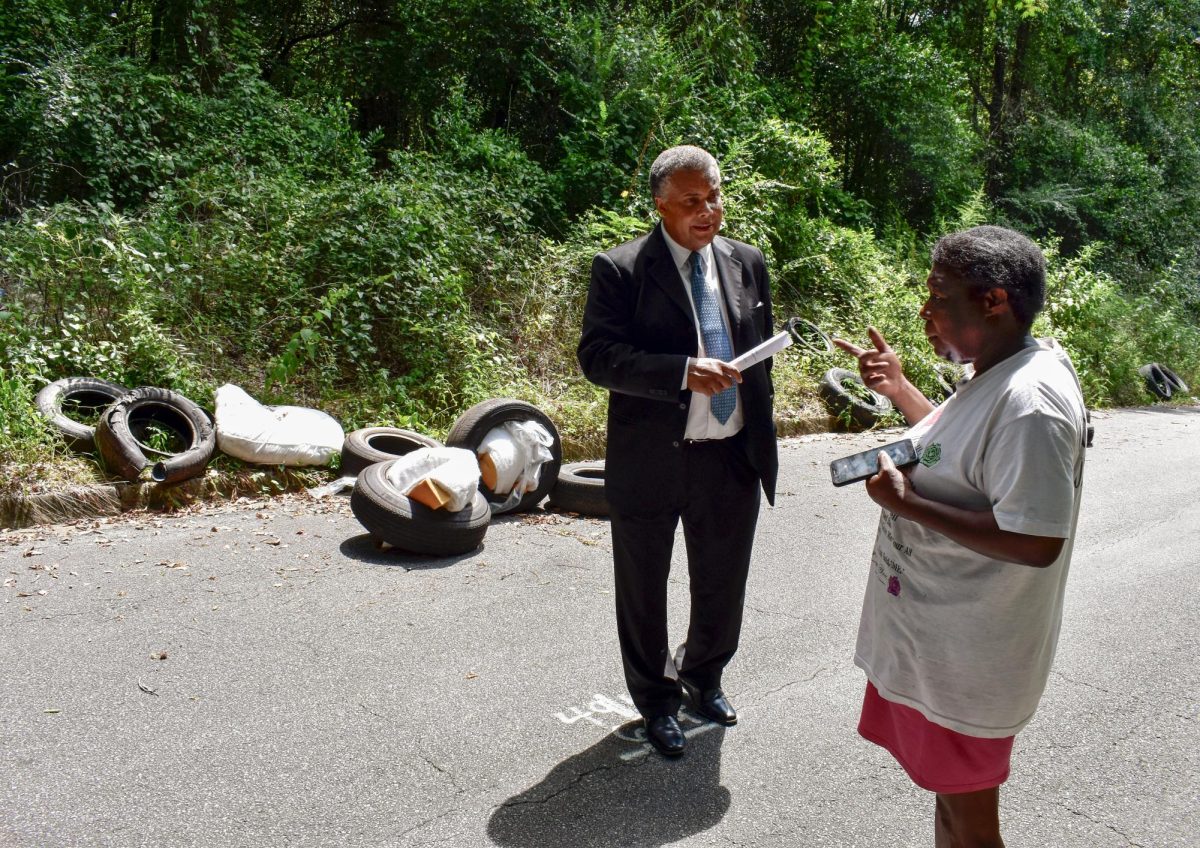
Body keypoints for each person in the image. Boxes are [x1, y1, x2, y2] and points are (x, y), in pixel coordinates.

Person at [834, 225, 1087, 847]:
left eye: (938, 295)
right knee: (951, 809)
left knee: (971, 825)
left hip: (970, 660)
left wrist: (909, 503)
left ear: (993, 301)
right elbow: (954, 445)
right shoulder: (999, 371)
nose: (925, 311)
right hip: (939, 645)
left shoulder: (1032, 404)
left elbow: (1035, 540)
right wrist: (898, 389)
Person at [577, 145, 779, 757]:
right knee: (644, 587)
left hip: (730, 456)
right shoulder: (621, 269)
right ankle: (657, 701)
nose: (708, 210)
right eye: (692, 201)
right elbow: (599, 358)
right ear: (660, 204)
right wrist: (683, 372)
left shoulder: (747, 263)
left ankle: (705, 677)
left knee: (722, 581)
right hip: (654, 458)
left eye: (715, 196)